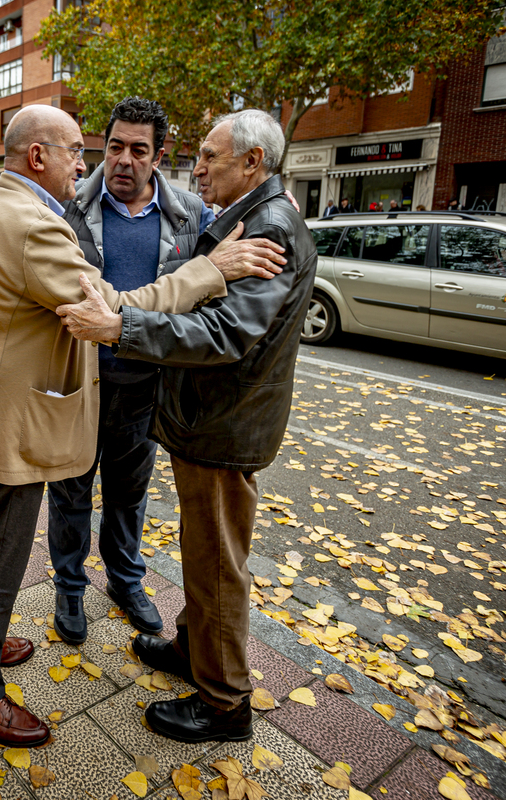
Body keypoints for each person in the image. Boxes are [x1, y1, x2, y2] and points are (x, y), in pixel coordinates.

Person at [0, 104, 286, 749]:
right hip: (2, 421)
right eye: (75, 151)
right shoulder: (35, 225)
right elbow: (112, 306)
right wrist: (211, 271)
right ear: (38, 156)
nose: (86, 163)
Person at [57, 108, 317, 744]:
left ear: (253, 162)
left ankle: (225, 702)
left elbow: (226, 332)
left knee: (218, 564)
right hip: (206, 417)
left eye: (210, 157)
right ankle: (191, 649)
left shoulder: (270, 227)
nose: (196, 167)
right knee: (201, 553)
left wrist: (123, 327)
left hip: (225, 426)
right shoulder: (241, 218)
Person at [47, 97, 281, 646]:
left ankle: (126, 581)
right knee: (70, 494)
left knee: (129, 496)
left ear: (157, 156)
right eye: (115, 147)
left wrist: (278, 201)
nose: (123, 160)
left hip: (144, 385)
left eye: (139, 150)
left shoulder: (190, 216)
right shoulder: (68, 210)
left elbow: (221, 262)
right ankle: (70, 586)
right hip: (79, 382)